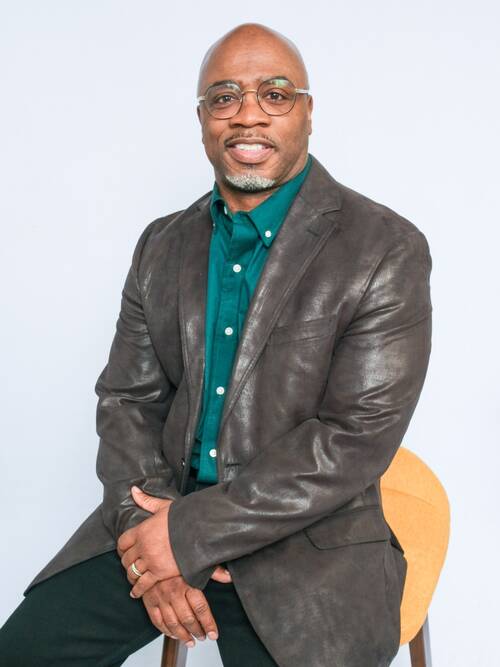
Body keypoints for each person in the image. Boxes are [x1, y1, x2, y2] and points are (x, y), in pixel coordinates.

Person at [0, 21, 432, 667]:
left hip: (306, 540)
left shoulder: (384, 249)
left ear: (308, 112)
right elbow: (126, 400)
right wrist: (147, 536)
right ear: (202, 118)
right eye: (224, 97)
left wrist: (189, 534)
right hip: (160, 511)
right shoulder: (161, 245)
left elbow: (353, 439)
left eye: (275, 94)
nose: (248, 115)